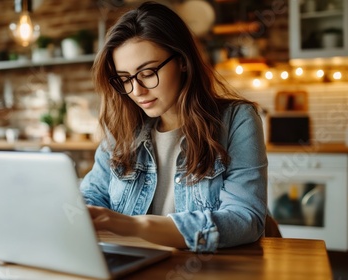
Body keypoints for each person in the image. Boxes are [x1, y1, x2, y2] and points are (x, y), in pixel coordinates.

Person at [80, 1, 268, 253]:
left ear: (182, 61)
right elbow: (91, 196)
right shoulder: (121, 129)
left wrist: (137, 226)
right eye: (124, 79)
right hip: (131, 266)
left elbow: (246, 219)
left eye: (147, 73)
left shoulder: (237, 120)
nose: (136, 91)